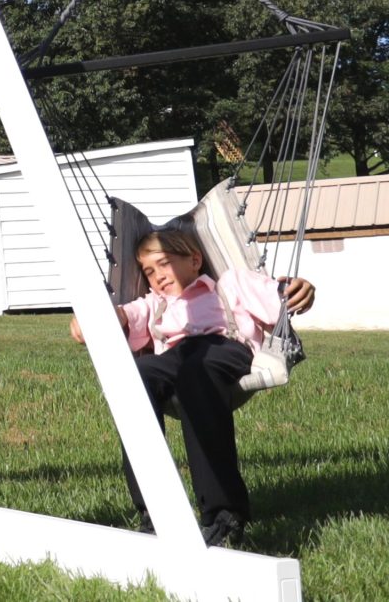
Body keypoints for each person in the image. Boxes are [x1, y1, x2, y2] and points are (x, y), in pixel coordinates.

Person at [69, 228, 315, 547]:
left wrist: (301, 290)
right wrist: (94, 319)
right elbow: (124, 316)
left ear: (194, 259)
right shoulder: (155, 303)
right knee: (136, 375)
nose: (157, 276)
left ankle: (224, 514)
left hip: (224, 347)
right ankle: (154, 512)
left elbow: (281, 296)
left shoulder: (230, 284)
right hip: (174, 355)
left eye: (164, 263)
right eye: (149, 271)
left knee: (195, 373)